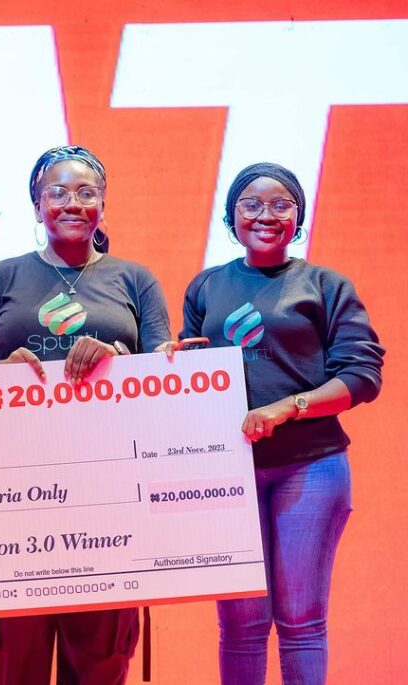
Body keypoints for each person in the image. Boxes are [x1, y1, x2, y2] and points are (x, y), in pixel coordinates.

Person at [0, 145, 171, 684]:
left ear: (103, 205)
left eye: (86, 192)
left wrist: (118, 358)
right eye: (58, 192)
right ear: (36, 206)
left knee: (99, 663)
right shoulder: (1, 279)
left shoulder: (135, 280)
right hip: (13, 498)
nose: (73, 203)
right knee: (12, 664)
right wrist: (0, 371)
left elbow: (169, 378)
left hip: (110, 496)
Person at [175, 162, 383, 684]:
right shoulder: (206, 287)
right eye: (251, 205)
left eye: (280, 204)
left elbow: (362, 375)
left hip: (310, 466)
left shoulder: (325, 285)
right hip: (229, 469)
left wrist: (288, 407)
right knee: (240, 625)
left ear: (298, 217)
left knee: (301, 620)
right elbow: (187, 368)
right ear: (231, 218)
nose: (265, 215)